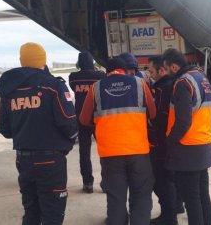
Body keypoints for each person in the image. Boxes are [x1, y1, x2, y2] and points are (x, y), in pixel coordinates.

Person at [0, 42, 78, 224]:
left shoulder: (9, 91)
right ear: (43, 61)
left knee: (31, 210)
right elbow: (69, 122)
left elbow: (4, 128)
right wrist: (70, 140)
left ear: (22, 61)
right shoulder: (53, 86)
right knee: (53, 213)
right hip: (50, 159)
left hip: (23, 159)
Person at [79, 52, 156, 225]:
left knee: (115, 199)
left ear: (108, 72)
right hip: (138, 151)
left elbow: (84, 119)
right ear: (124, 70)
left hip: (110, 153)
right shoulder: (140, 83)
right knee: (141, 196)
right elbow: (153, 113)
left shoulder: (96, 88)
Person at [163, 49, 211, 225]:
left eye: (167, 68)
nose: (166, 72)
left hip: (188, 149)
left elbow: (183, 121)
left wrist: (169, 142)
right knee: (202, 195)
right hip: (203, 143)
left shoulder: (183, 82)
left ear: (174, 66)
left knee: (192, 198)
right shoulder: (202, 78)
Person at [147, 55, 180, 225]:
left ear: (162, 70)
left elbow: (156, 118)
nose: (150, 74)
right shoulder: (173, 85)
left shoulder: (160, 90)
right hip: (171, 141)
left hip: (160, 142)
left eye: (152, 71)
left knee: (161, 179)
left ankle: (169, 216)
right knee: (171, 177)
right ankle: (176, 206)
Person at [67, 51, 106, 193]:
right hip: (98, 118)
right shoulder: (100, 76)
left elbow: (73, 88)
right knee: (104, 151)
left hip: (81, 118)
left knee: (84, 152)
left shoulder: (73, 77)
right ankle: (106, 182)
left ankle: (87, 183)